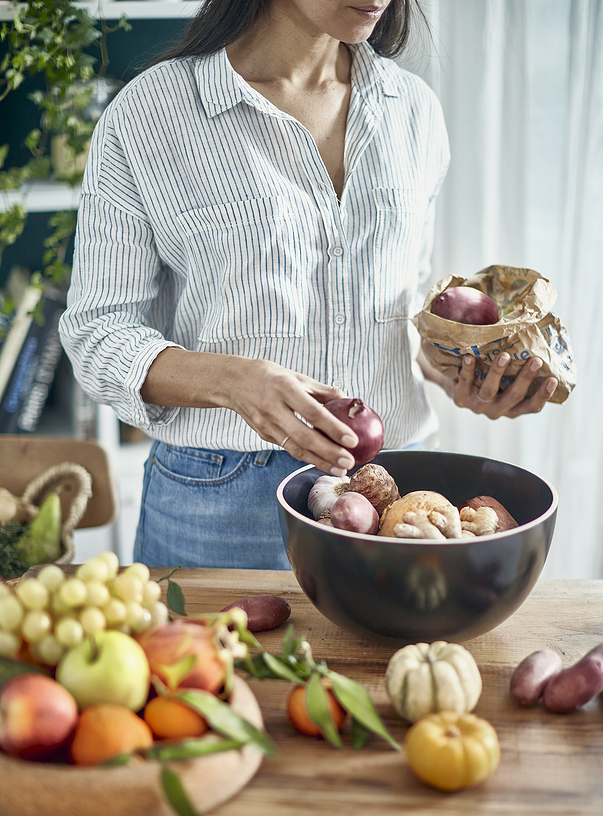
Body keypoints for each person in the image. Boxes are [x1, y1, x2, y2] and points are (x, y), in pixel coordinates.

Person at [59, 0, 558, 570]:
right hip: (219, 505)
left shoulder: (413, 109)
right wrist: (234, 382)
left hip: (397, 493)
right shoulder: (150, 115)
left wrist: (461, 374)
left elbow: (395, 313)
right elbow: (97, 332)